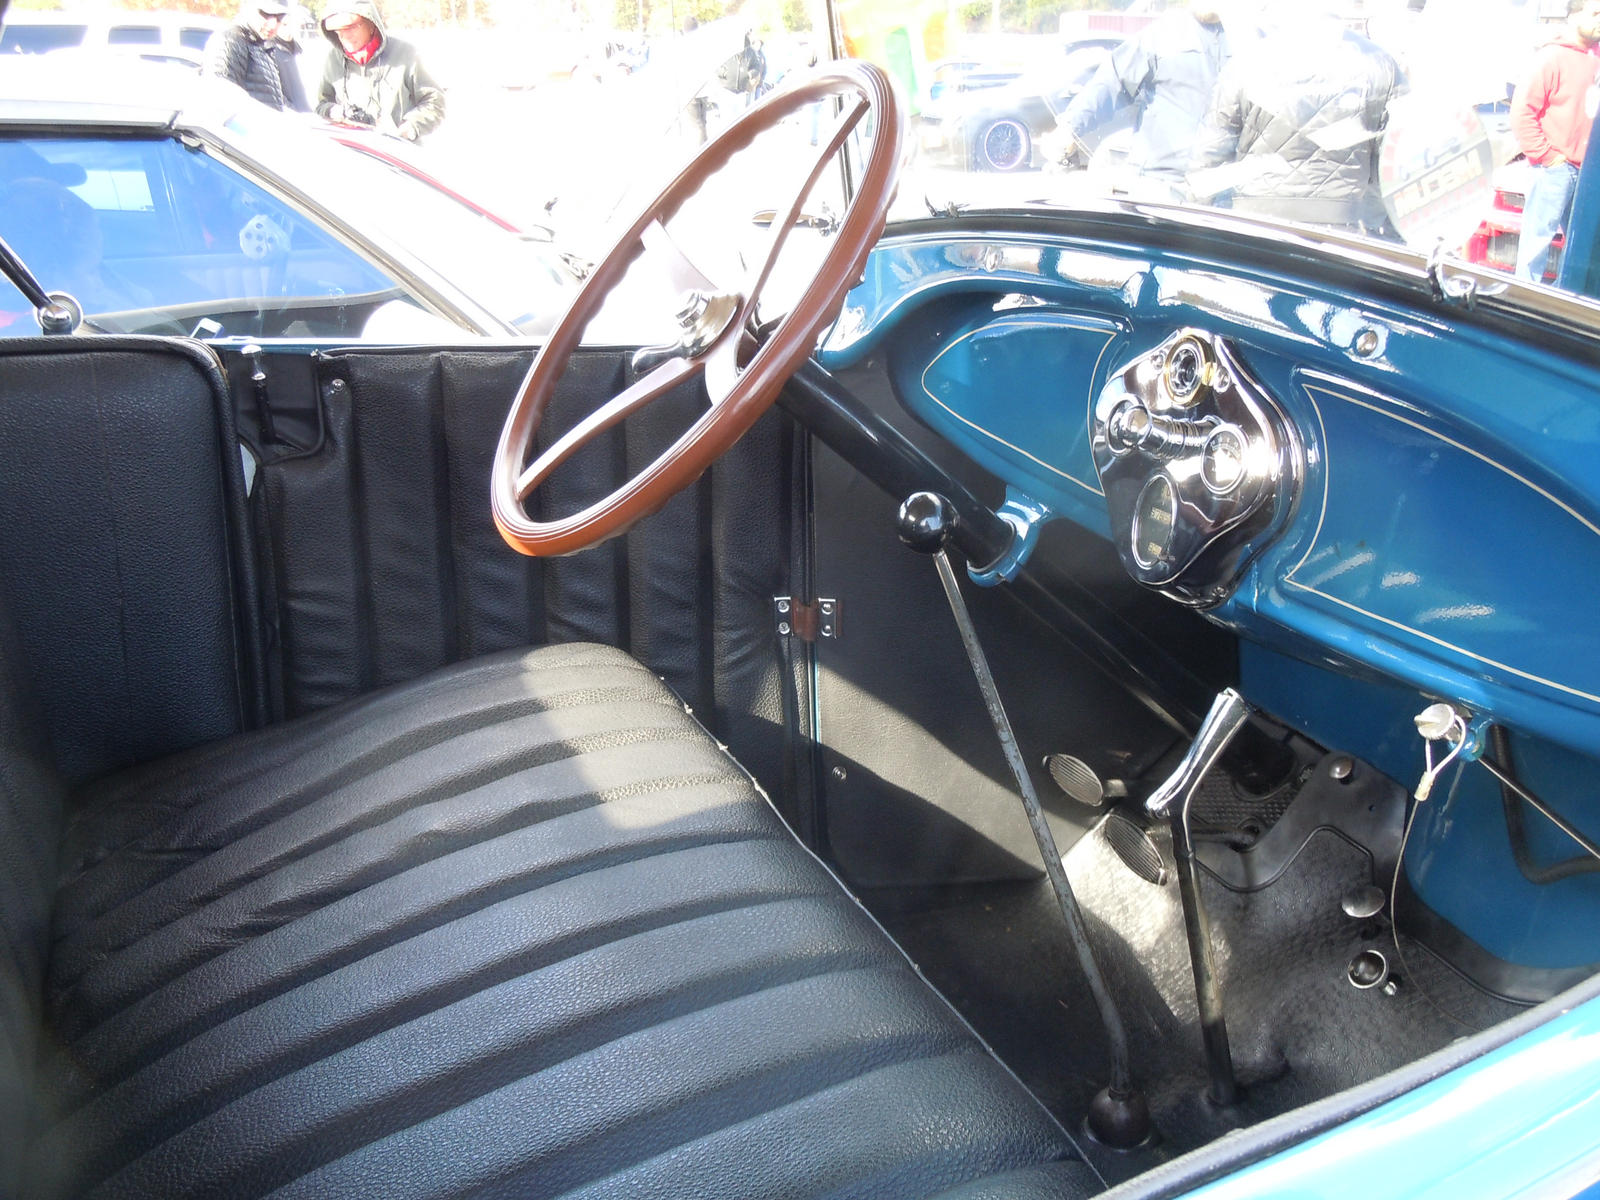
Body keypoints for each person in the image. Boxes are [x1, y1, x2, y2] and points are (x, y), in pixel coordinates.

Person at [1189, 4, 1402, 235]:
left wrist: (1191, 230)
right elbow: (1396, 161)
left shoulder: (1248, 61)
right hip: (1345, 229)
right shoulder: (1380, 63)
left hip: (1255, 224)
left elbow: (1210, 155)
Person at [1045, 3, 1235, 200]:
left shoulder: (1252, 40)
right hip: (1159, 187)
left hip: (1225, 194)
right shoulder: (1167, 32)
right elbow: (1113, 80)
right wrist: (1069, 129)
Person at [1510, 0, 1600, 281]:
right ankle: (1523, 310)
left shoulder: (1596, 55)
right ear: (1573, 16)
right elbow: (1523, 112)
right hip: (1556, 169)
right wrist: (1548, 157)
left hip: (1588, 172)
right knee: (1535, 246)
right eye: (1595, 13)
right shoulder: (1551, 58)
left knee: (1584, 251)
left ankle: (1569, 309)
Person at [316, 2, 445, 144]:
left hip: (400, 154)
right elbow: (322, 104)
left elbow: (435, 102)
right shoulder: (333, 60)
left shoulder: (406, 54)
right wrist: (335, 111)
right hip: (354, 152)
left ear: (371, 24)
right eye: (338, 31)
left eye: (352, 27)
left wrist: (409, 128)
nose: (346, 36)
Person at [203, 2, 301, 111]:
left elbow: (272, 98)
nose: (273, 24)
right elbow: (223, 98)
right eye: (266, 14)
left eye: (279, 18)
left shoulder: (260, 45)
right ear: (249, 9)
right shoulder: (232, 40)